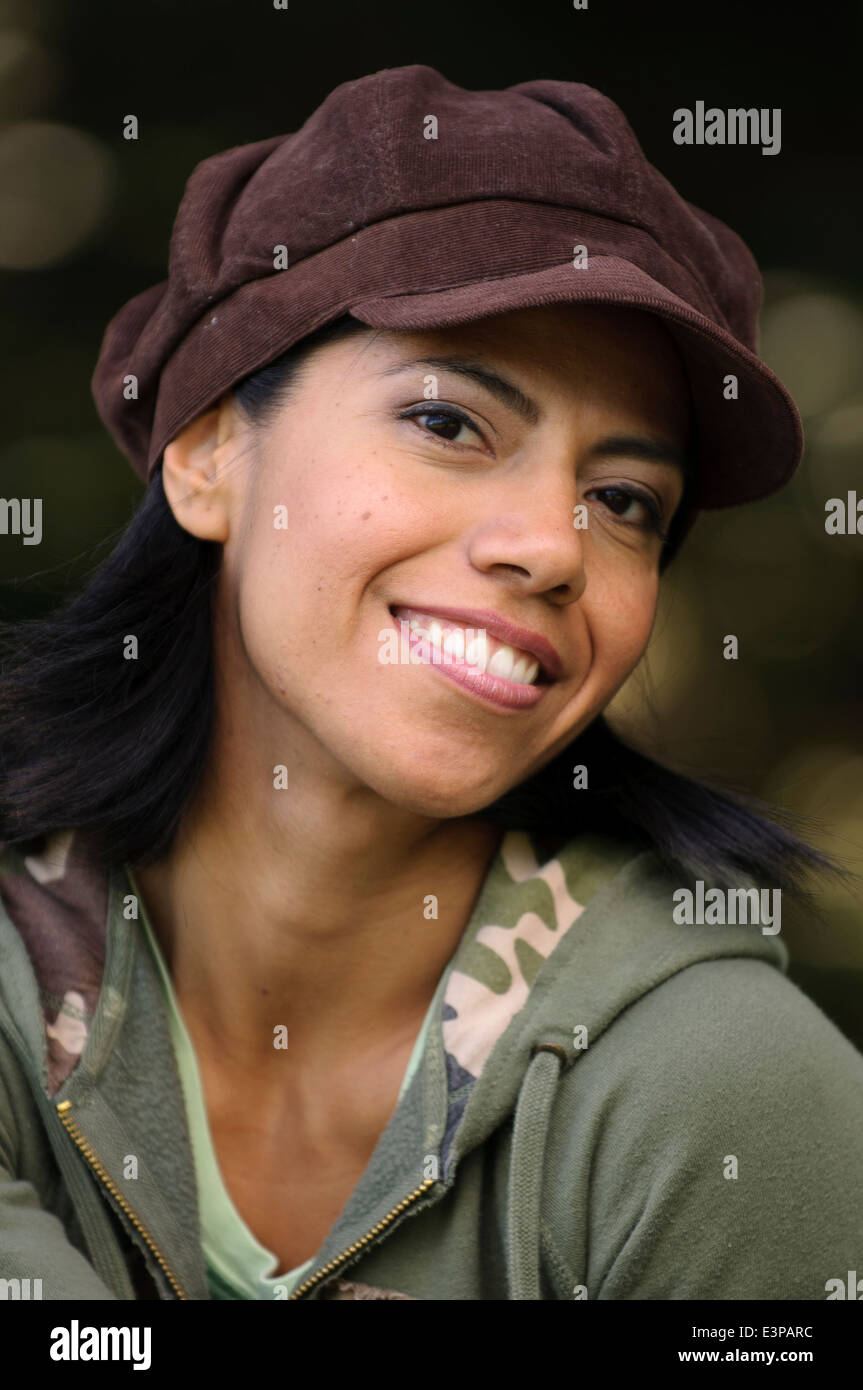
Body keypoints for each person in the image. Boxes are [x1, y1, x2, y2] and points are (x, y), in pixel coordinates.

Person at [1, 64, 861, 1302]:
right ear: (205, 455)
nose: (554, 545)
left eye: (622, 501)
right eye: (449, 423)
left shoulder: (720, 1094)